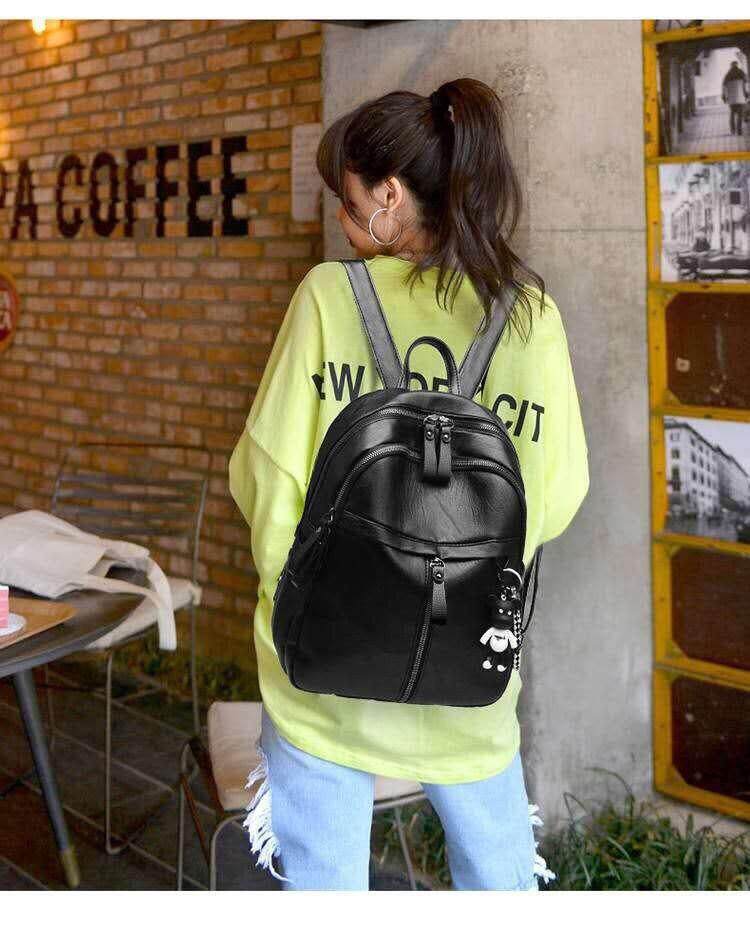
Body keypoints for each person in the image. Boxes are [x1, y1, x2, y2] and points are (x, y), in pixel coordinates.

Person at [228, 77, 590, 891]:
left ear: (390, 195)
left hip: (327, 670)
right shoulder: (529, 314)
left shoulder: (329, 297)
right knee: (499, 883)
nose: (343, 219)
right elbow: (559, 491)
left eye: (350, 201)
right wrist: (460, 581)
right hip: (469, 673)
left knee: (325, 890)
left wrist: (310, 597)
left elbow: (266, 476)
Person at [721, 60, 749, 136]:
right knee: (740, 115)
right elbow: (745, 85)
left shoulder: (727, 75)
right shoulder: (742, 73)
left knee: (732, 115)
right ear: (737, 65)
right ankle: (739, 131)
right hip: (740, 98)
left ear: (731, 66)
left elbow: (724, 87)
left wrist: (724, 96)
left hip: (731, 99)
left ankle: (733, 130)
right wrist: (746, 94)